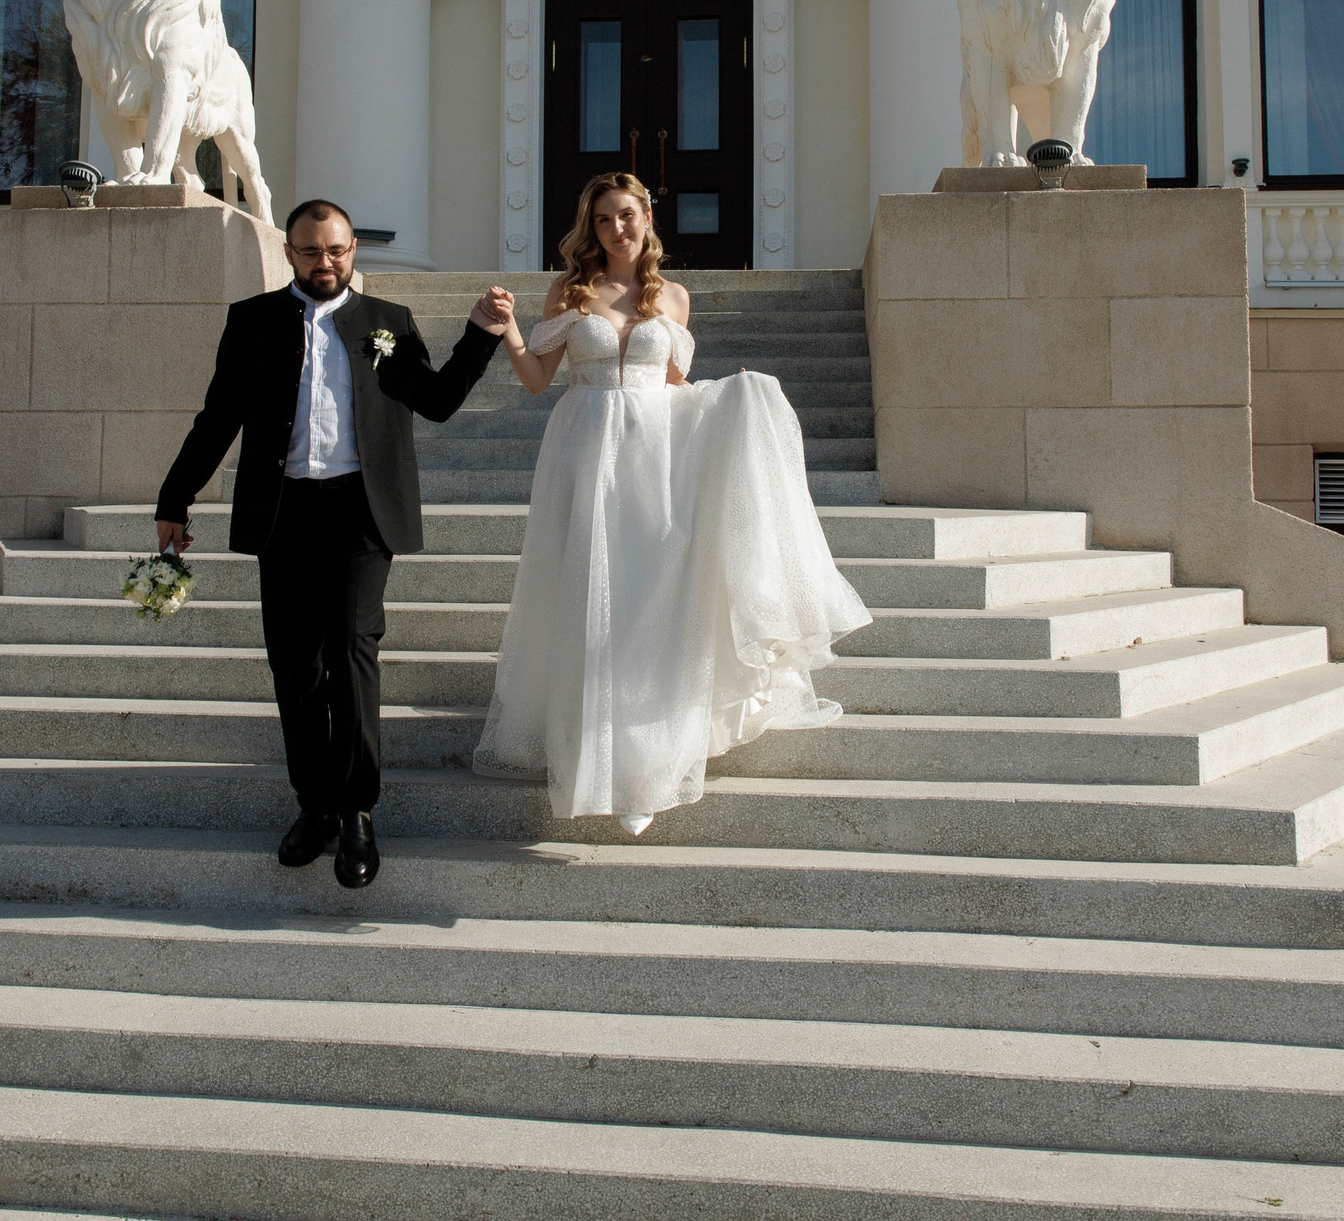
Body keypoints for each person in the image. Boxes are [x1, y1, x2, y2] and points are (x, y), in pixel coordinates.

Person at [471, 172, 870, 834]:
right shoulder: (570, 290)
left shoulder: (673, 297)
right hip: (586, 450)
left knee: (648, 601)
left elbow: (678, 386)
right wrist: (510, 329)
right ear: (590, 227)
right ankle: (593, 760)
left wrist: (734, 400)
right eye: (602, 220)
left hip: (656, 462)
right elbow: (539, 380)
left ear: (648, 216)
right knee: (594, 601)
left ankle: (645, 770)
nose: (616, 229)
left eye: (626, 215)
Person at [154, 199, 513, 889]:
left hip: (359, 513)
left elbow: (434, 400)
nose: (327, 262)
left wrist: (479, 337)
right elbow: (218, 416)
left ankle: (357, 810)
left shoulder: (388, 323)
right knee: (295, 666)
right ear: (290, 252)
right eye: (312, 251)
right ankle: (314, 804)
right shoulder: (253, 321)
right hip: (283, 512)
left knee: (350, 654)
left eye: (338, 250)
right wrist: (176, 497)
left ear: (355, 251)